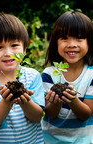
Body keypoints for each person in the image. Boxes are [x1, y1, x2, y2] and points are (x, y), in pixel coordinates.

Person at [0, 13, 45, 144]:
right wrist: (6, 103)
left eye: (14, 45)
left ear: (24, 49)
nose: (8, 53)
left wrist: (26, 102)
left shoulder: (32, 76)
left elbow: (37, 116)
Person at [41, 11, 93, 143]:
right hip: (50, 140)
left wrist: (73, 100)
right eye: (64, 38)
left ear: (89, 42)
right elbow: (50, 114)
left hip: (82, 141)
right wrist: (56, 101)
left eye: (79, 38)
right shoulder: (49, 74)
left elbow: (86, 114)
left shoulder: (91, 75)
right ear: (55, 43)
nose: (71, 44)